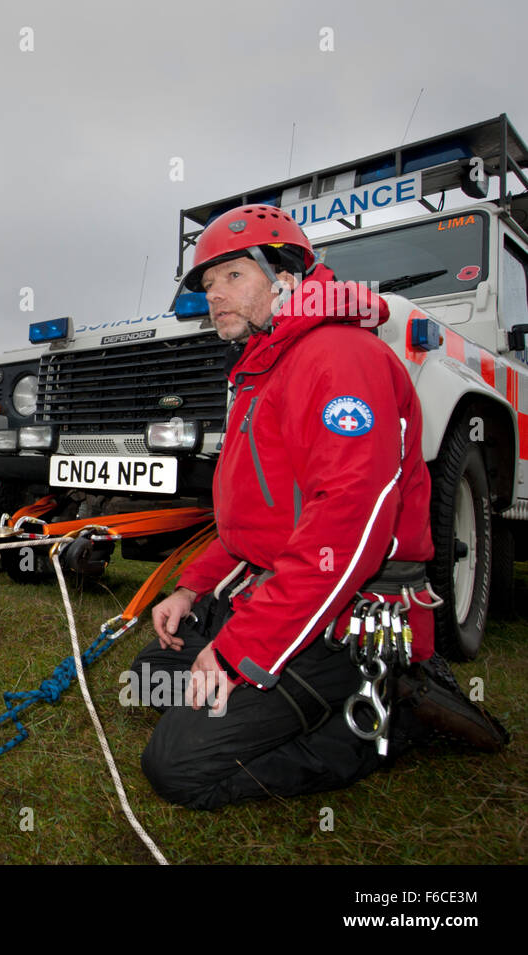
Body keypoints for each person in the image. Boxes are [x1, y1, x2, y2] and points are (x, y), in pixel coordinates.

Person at [133, 204, 506, 809]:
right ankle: (291, 698)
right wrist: (190, 590)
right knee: (150, 676)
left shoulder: (338, 359)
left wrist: (238, 650)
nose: (214, 297)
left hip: (347, 613)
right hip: (286, 590)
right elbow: (252, 520)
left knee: (176, 769)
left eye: (232, 277)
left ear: (286, 280)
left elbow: (348, 531)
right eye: (207, 284)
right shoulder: (262, 371)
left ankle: (391, 717)